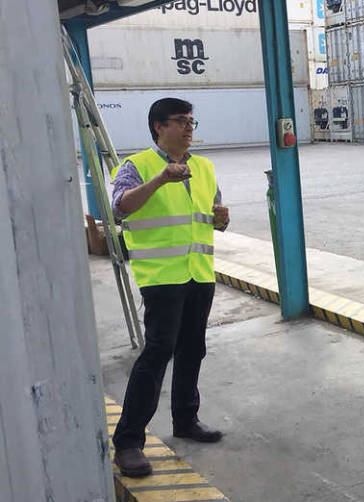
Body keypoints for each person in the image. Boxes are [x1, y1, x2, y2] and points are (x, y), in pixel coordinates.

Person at [110, 98, 229, 477]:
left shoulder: (205, 168)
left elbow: (212, 216)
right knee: (157, 354)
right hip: (162, 277)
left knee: (193, 348)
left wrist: (221, 219)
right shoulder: (138, 166)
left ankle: (185, 420)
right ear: (159, 127)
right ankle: (128, 441)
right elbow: (120, 207)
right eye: (181, 121)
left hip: (199, 273)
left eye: (192, 121)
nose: (189, 128)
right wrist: (161, 178)